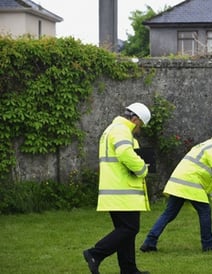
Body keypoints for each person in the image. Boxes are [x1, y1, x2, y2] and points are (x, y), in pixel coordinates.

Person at [140, 118, 212, 252]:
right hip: (191, 183)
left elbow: (209, 176)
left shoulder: (205, 145)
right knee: (204, 211)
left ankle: (149, 243)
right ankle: (208, 245)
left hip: (178, 183)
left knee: (169, 214)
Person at [83, 102, 152, 274]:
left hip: (115, 191)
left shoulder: (111, 129)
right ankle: (95, 254)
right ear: (135, 119)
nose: (139, 130)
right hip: (124, 191)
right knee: (130, 229)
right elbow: (124, 153)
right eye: (140, 125)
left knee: (125, 232)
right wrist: (143, 169)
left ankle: (128, 269)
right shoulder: (121, 130)